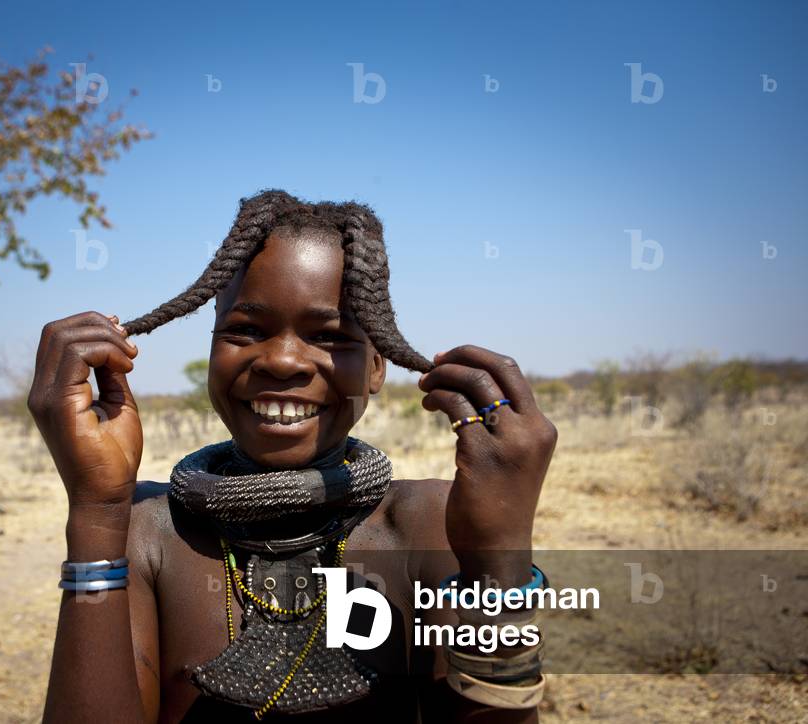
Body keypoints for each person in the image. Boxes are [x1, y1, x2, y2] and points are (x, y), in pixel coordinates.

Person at [29, 190, 558, 723]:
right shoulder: (145, 532)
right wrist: (96, 508)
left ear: (377, 368)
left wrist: (498, 558)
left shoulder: (428, 527)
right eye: (245, 330)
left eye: (329, 336)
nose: (282, 361)